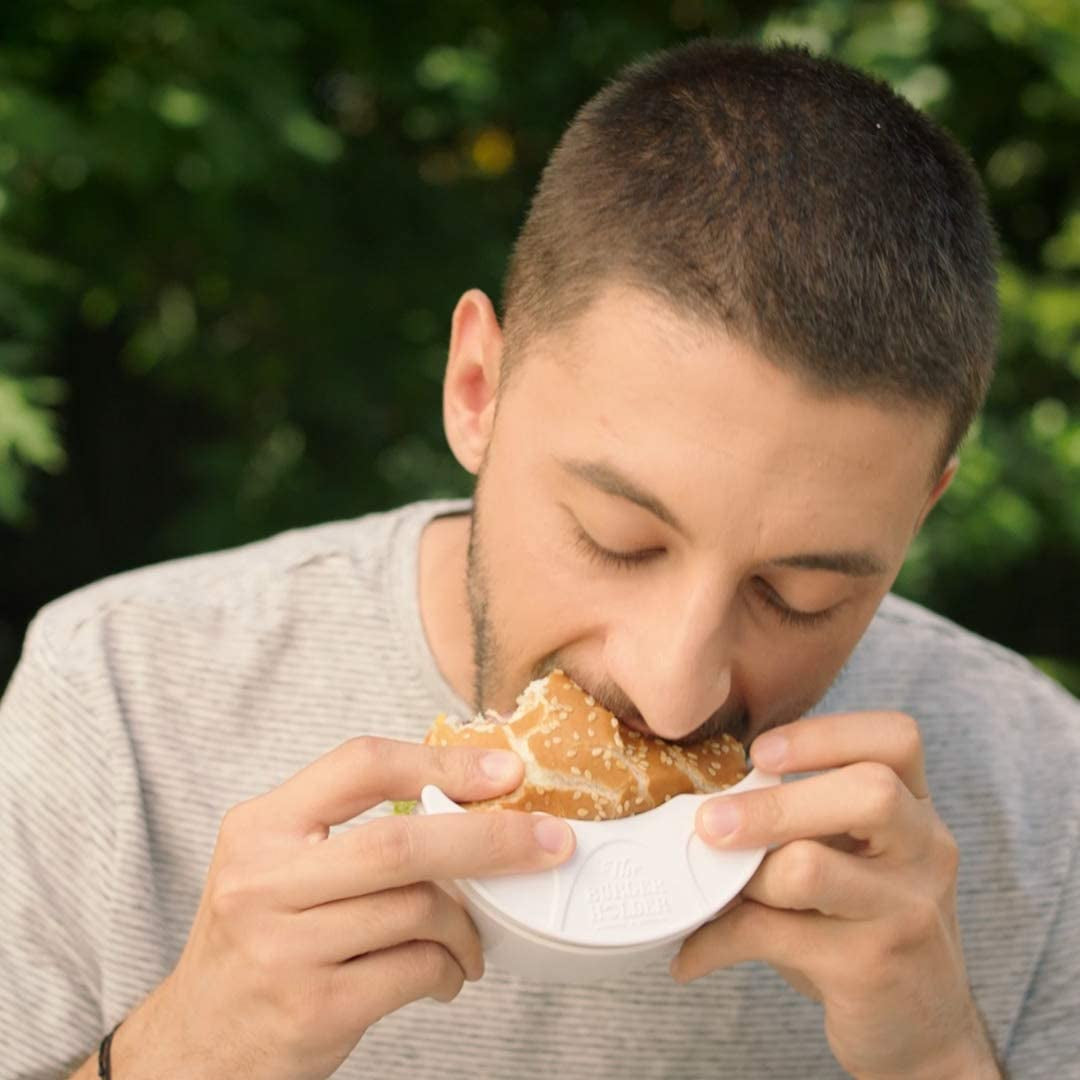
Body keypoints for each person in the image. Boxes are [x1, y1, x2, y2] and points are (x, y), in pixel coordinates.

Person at [1, 36, 1076, 1080]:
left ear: (917, 522)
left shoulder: (1038, 791)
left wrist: (939, 1061)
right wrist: (183, 1058)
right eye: (618, 540)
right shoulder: (117, 696)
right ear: (479, 390)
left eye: (799, 595)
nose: (672, 689)